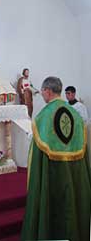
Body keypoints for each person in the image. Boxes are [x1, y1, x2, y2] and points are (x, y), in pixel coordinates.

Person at [21, 76, 91, 241]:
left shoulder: (42, 118)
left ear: (47, 90)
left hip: (52, 177)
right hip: (74, 176)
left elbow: (36, 157)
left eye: (43, 91)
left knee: (52, 209)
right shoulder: (76, 116)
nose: (42, 95)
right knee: (71, 206)